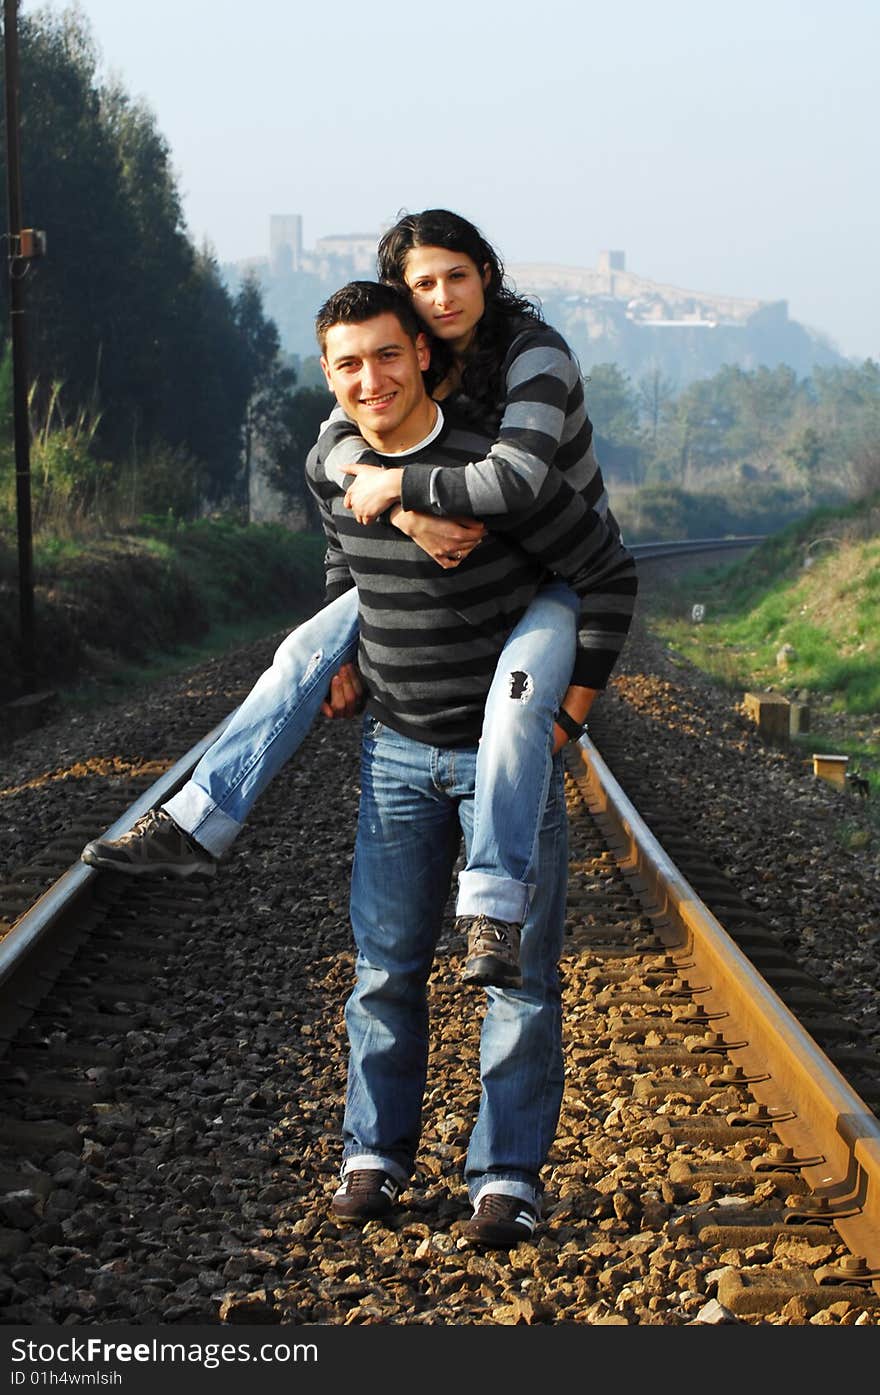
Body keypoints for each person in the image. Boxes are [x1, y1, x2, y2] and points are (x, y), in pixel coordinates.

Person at [81, 208, 637, 991]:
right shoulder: (406, 355)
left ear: (488, 274)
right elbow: (333, 445)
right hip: (444, 541)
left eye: (457, 276)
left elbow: (516, 480)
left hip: (551, 565)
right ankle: (194, 820)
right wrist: (397, 507)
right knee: (300, 652)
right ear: (402, 297)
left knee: (515, 713)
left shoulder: (531, 353)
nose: (442, 297)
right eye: (422, 283)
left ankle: (492, 910)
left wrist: (396, 485)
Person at [305, 280, 633, 1246]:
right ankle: (374, 1156)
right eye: (348, 366)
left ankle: (506, 1177)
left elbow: (606, 568)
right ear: (330, 378)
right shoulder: (341, 467)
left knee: (520, 979)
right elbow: (339, 560)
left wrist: (571, 714)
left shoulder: (494, 473)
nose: (371, 379)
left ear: (423, 354)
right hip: (398, 755)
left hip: (505, 763)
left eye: (387, 356)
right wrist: (350, 660)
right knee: (384, 969)